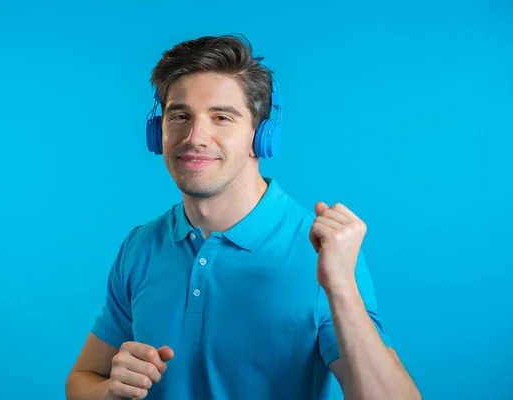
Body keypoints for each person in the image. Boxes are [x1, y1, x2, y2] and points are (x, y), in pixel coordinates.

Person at [65, 34, 421, 400]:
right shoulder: (140, 246)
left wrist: (341, 288)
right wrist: (109, 391)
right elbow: (81, 379)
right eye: (180, 116)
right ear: (158, 133)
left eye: (221, 117)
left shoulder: (320, 251)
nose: (195, 136)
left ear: (262, 136)